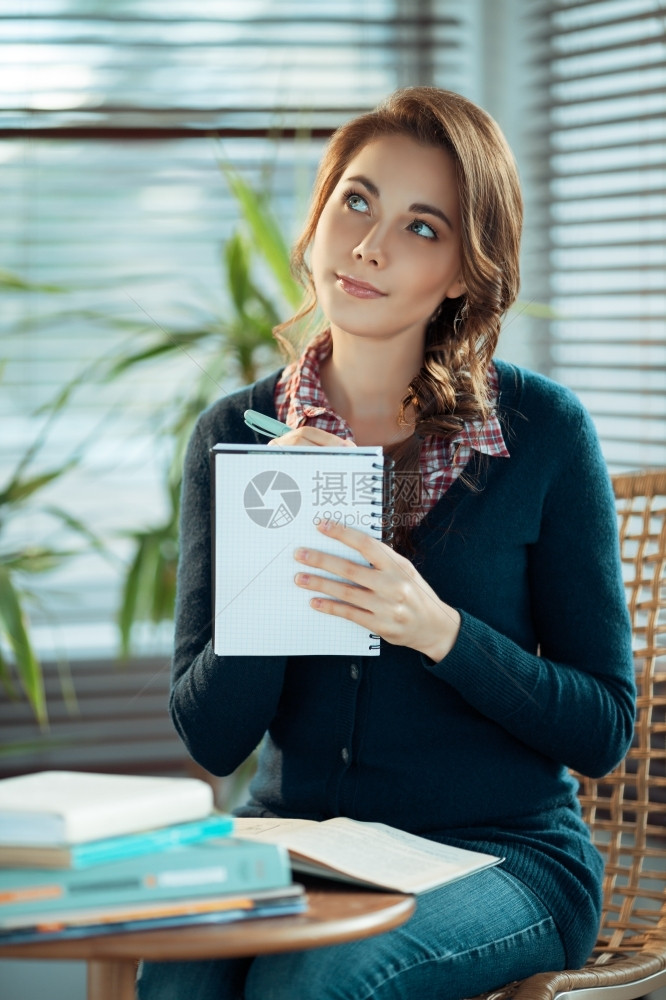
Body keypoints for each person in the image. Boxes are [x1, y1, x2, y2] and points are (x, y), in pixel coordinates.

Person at [137, 87, 635, 1000]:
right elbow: (213, 739)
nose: (369, 245)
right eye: (357, 202)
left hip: (502, 856)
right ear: (319, 216)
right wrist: (272, 550)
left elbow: (603, 729)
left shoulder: (545, 432)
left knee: (320, 982)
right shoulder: (234, 435)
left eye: (422, 226)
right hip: (299, 843)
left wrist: (437, 629)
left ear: (462, 272)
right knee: (175, 974)